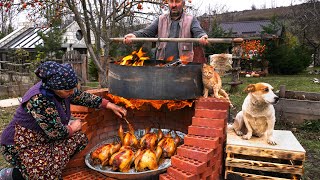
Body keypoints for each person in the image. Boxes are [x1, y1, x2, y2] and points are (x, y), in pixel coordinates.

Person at [0, 61, 127, 180]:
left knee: (80, 139)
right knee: (44, 175)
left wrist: (109, 105)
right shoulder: (39, 99)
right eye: (67, 91)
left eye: (72, 89)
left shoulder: (63, 89)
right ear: (53, 87)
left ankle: (49, 166)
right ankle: (12, 174)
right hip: (21, 143)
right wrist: (73, 128)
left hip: (45, 139)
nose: (71, 93)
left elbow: (82, 97)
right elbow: (55, 132)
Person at [123, 0, 209, 62]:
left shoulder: (191, 19)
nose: (173, 5)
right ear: (168, 2)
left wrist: (202, 37)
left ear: (183, 3)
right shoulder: (161, 19)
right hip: (162, 66)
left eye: (177, 1)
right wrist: (134, 36)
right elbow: (147, 32)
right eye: (171, 1)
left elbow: (198, 32)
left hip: (184, 67)